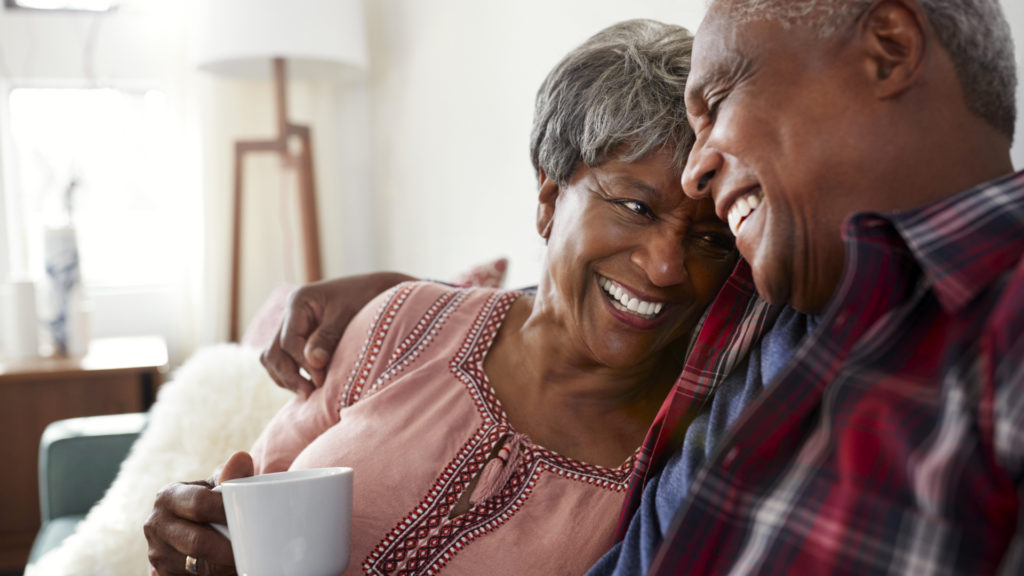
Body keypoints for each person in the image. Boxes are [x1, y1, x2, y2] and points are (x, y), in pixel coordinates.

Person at [267, 0, 1024, 574]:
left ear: (888, 51)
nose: (699, 169)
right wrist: (393, 303)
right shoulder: (775, 313)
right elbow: (552, 317)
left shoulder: (990, 324)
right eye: (635, 204)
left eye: (719, 98)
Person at [145, 19, 743, 576]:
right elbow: (251, 498)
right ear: (549, 195)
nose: (667, 266)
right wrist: (198, 535)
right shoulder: (403, 321)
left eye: (710, 238)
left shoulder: (685, 463)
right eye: (635, 207)